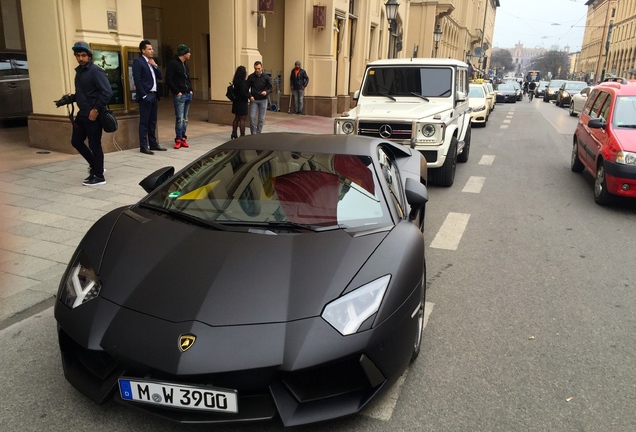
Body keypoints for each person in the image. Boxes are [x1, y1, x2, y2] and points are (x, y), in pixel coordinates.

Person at [55, 41, 112, 186]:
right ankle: (96, 165)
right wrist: (67, 100)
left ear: (89, 56)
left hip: (93, 115)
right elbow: (82, 93)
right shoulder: (79, 72)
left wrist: (96, 110)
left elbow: (107, 92)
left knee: (94, 145)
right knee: (76, 141)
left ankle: (99, 176)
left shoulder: (95, 71)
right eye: (78, 55)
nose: (80, 58)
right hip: (82, 114)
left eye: (83, 55)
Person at [132, 39, 167, 154]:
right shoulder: (139, 62)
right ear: (143, 50)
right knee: (144, 122)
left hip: (154, 96)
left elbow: (160, 76)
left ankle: (153, 143)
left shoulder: (151, 63)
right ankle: (143, 145)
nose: (152, 51)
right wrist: (143, 96)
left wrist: (155, 65)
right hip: (146, 96)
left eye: (152, 49)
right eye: (149, 49)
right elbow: (138, 80)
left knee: (152, 121)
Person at [166, 43, 193, 149]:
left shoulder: (186, 65)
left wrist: (190, 89)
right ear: (184, 53)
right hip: (180, 94)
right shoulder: (173, 64)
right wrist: (176, 91)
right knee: (179, 118)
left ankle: (183, 138)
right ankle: (178, 138)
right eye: (188, 52)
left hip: (187, 94)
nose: (190, 54)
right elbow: (168, 79)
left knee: (185, 118)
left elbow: (188, 79)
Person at [247, 61, 272, 134]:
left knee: (261, 118)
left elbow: (270, 88)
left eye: (258, 68)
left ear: (262, 68)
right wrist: (250, 96)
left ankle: (258, 132)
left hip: (263, 100)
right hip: (254, 99)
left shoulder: (266, 77)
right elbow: (246, 88)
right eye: (255, 69)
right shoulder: (251, 77)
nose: (257, 70)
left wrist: (266, 92)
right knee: (252, 117)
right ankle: (253, 133)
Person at [230, 66, 250, 139]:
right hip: (242, 102)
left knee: (236, 118)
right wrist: (249, 96)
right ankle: (242, 135)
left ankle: (234, 133)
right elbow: (244, 92)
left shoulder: (235, 81)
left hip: (236, 101)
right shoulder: (243, 82)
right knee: (242, 119)